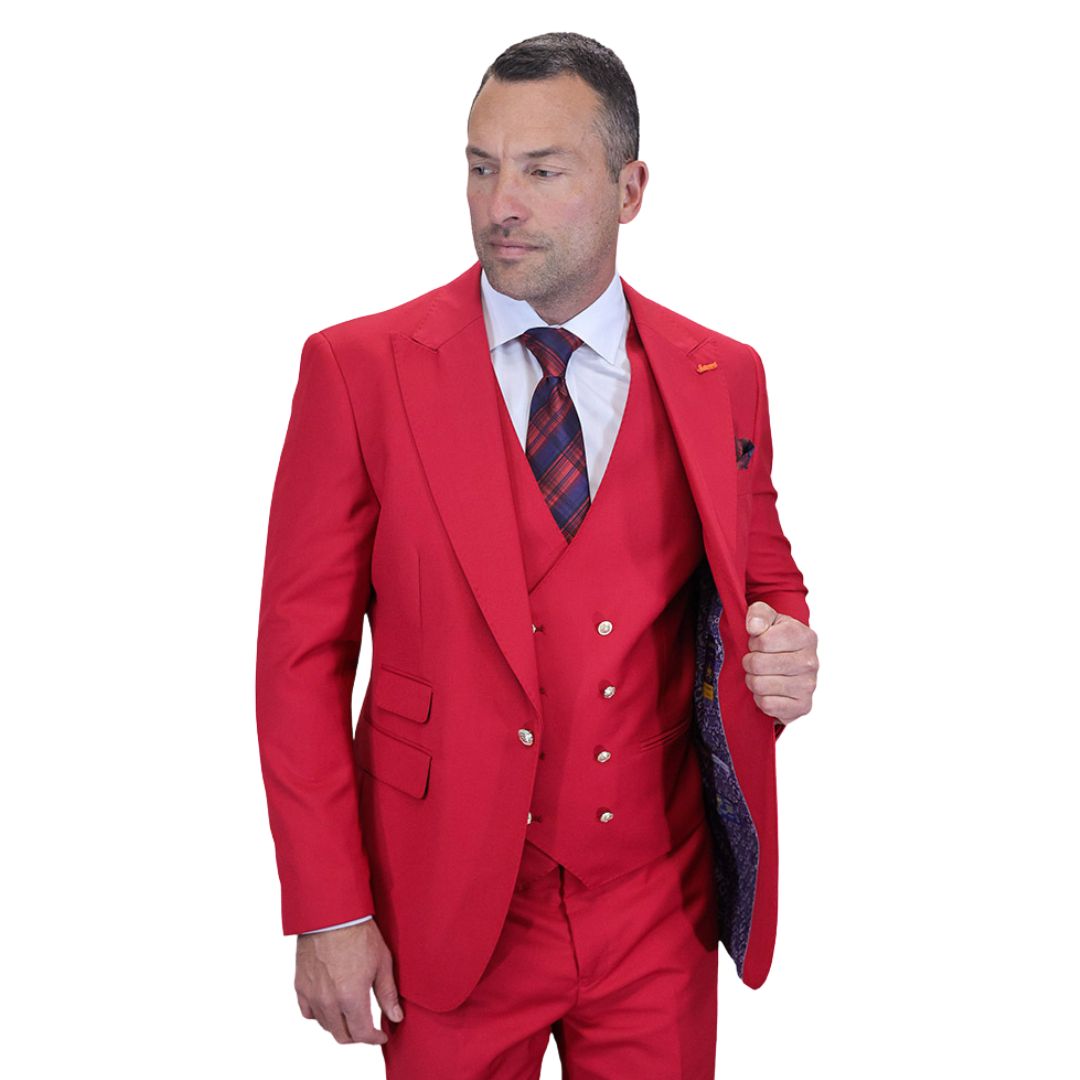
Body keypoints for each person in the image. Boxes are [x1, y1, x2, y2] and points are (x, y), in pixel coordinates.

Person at [255, 30, 818, 1079]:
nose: (497, 204)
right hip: (443, 904)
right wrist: (328, 908)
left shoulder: (723, 375)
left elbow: (765, 583)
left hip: (657, 903)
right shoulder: (359, 371)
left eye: (542, 171)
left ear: (630, 188)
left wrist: (785, 652)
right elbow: (298, 661)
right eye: (481, 167)